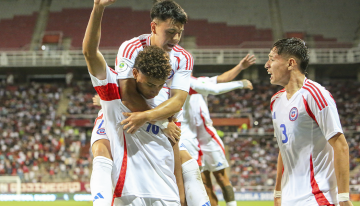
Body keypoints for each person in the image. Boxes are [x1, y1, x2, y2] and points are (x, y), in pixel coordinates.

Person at [91, 0, 210, 205]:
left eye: (179, 33)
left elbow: (178, 100)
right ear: (154, 27)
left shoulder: (183, 57)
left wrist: (153, 118)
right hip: (126, 113)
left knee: (187, 163)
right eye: (171, 32)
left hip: (159, 119)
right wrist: (161, 122)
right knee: (102, 150)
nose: (175, 38)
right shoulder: (131, 47)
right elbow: (128, 95)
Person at [265, 38, 353, 206]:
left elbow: (340, 146)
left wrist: (343, 197)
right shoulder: (275, 101)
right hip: (289, 198)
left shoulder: (315, 95)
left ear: (291, 63)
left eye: (272, 58)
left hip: (317, 197)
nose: (266, 65)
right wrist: (278, 192)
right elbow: (284, 149)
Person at [185, 55, 255, 206]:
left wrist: (240, 67)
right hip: (190, 140)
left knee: (222, 178)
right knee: (204, 183)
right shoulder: (173, 85)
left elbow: (221, 79)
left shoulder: (198, 82)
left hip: (208, 137)